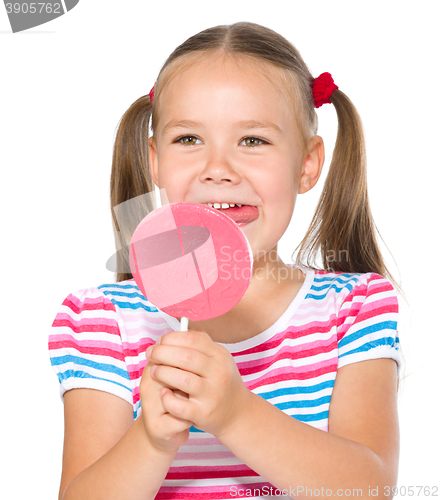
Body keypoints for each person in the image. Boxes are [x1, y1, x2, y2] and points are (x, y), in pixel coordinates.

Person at [49, 22, 401, 500]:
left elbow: (369, 490)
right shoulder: (105, 322)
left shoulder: (354, 310)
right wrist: (150, 442)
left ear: (307, 163)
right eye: (189, 139)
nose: (218, 169)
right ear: (154, 160)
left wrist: (235, 413)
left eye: (253, 140)